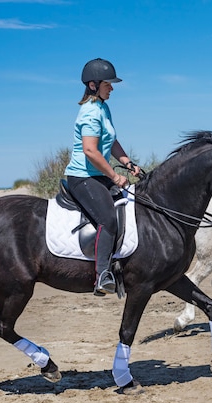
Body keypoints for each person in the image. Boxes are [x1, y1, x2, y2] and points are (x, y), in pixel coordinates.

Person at [65, 58, 141, 296]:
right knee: (108, 219)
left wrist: (127, 162)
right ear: (93, 85)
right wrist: (114, 176)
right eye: (108, 83)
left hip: (98, 175)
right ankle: (102, 275)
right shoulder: (89, 112)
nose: (112, 87)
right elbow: (90, 150)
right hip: (83, 177)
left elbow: (112, 141)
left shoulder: (103, 108)